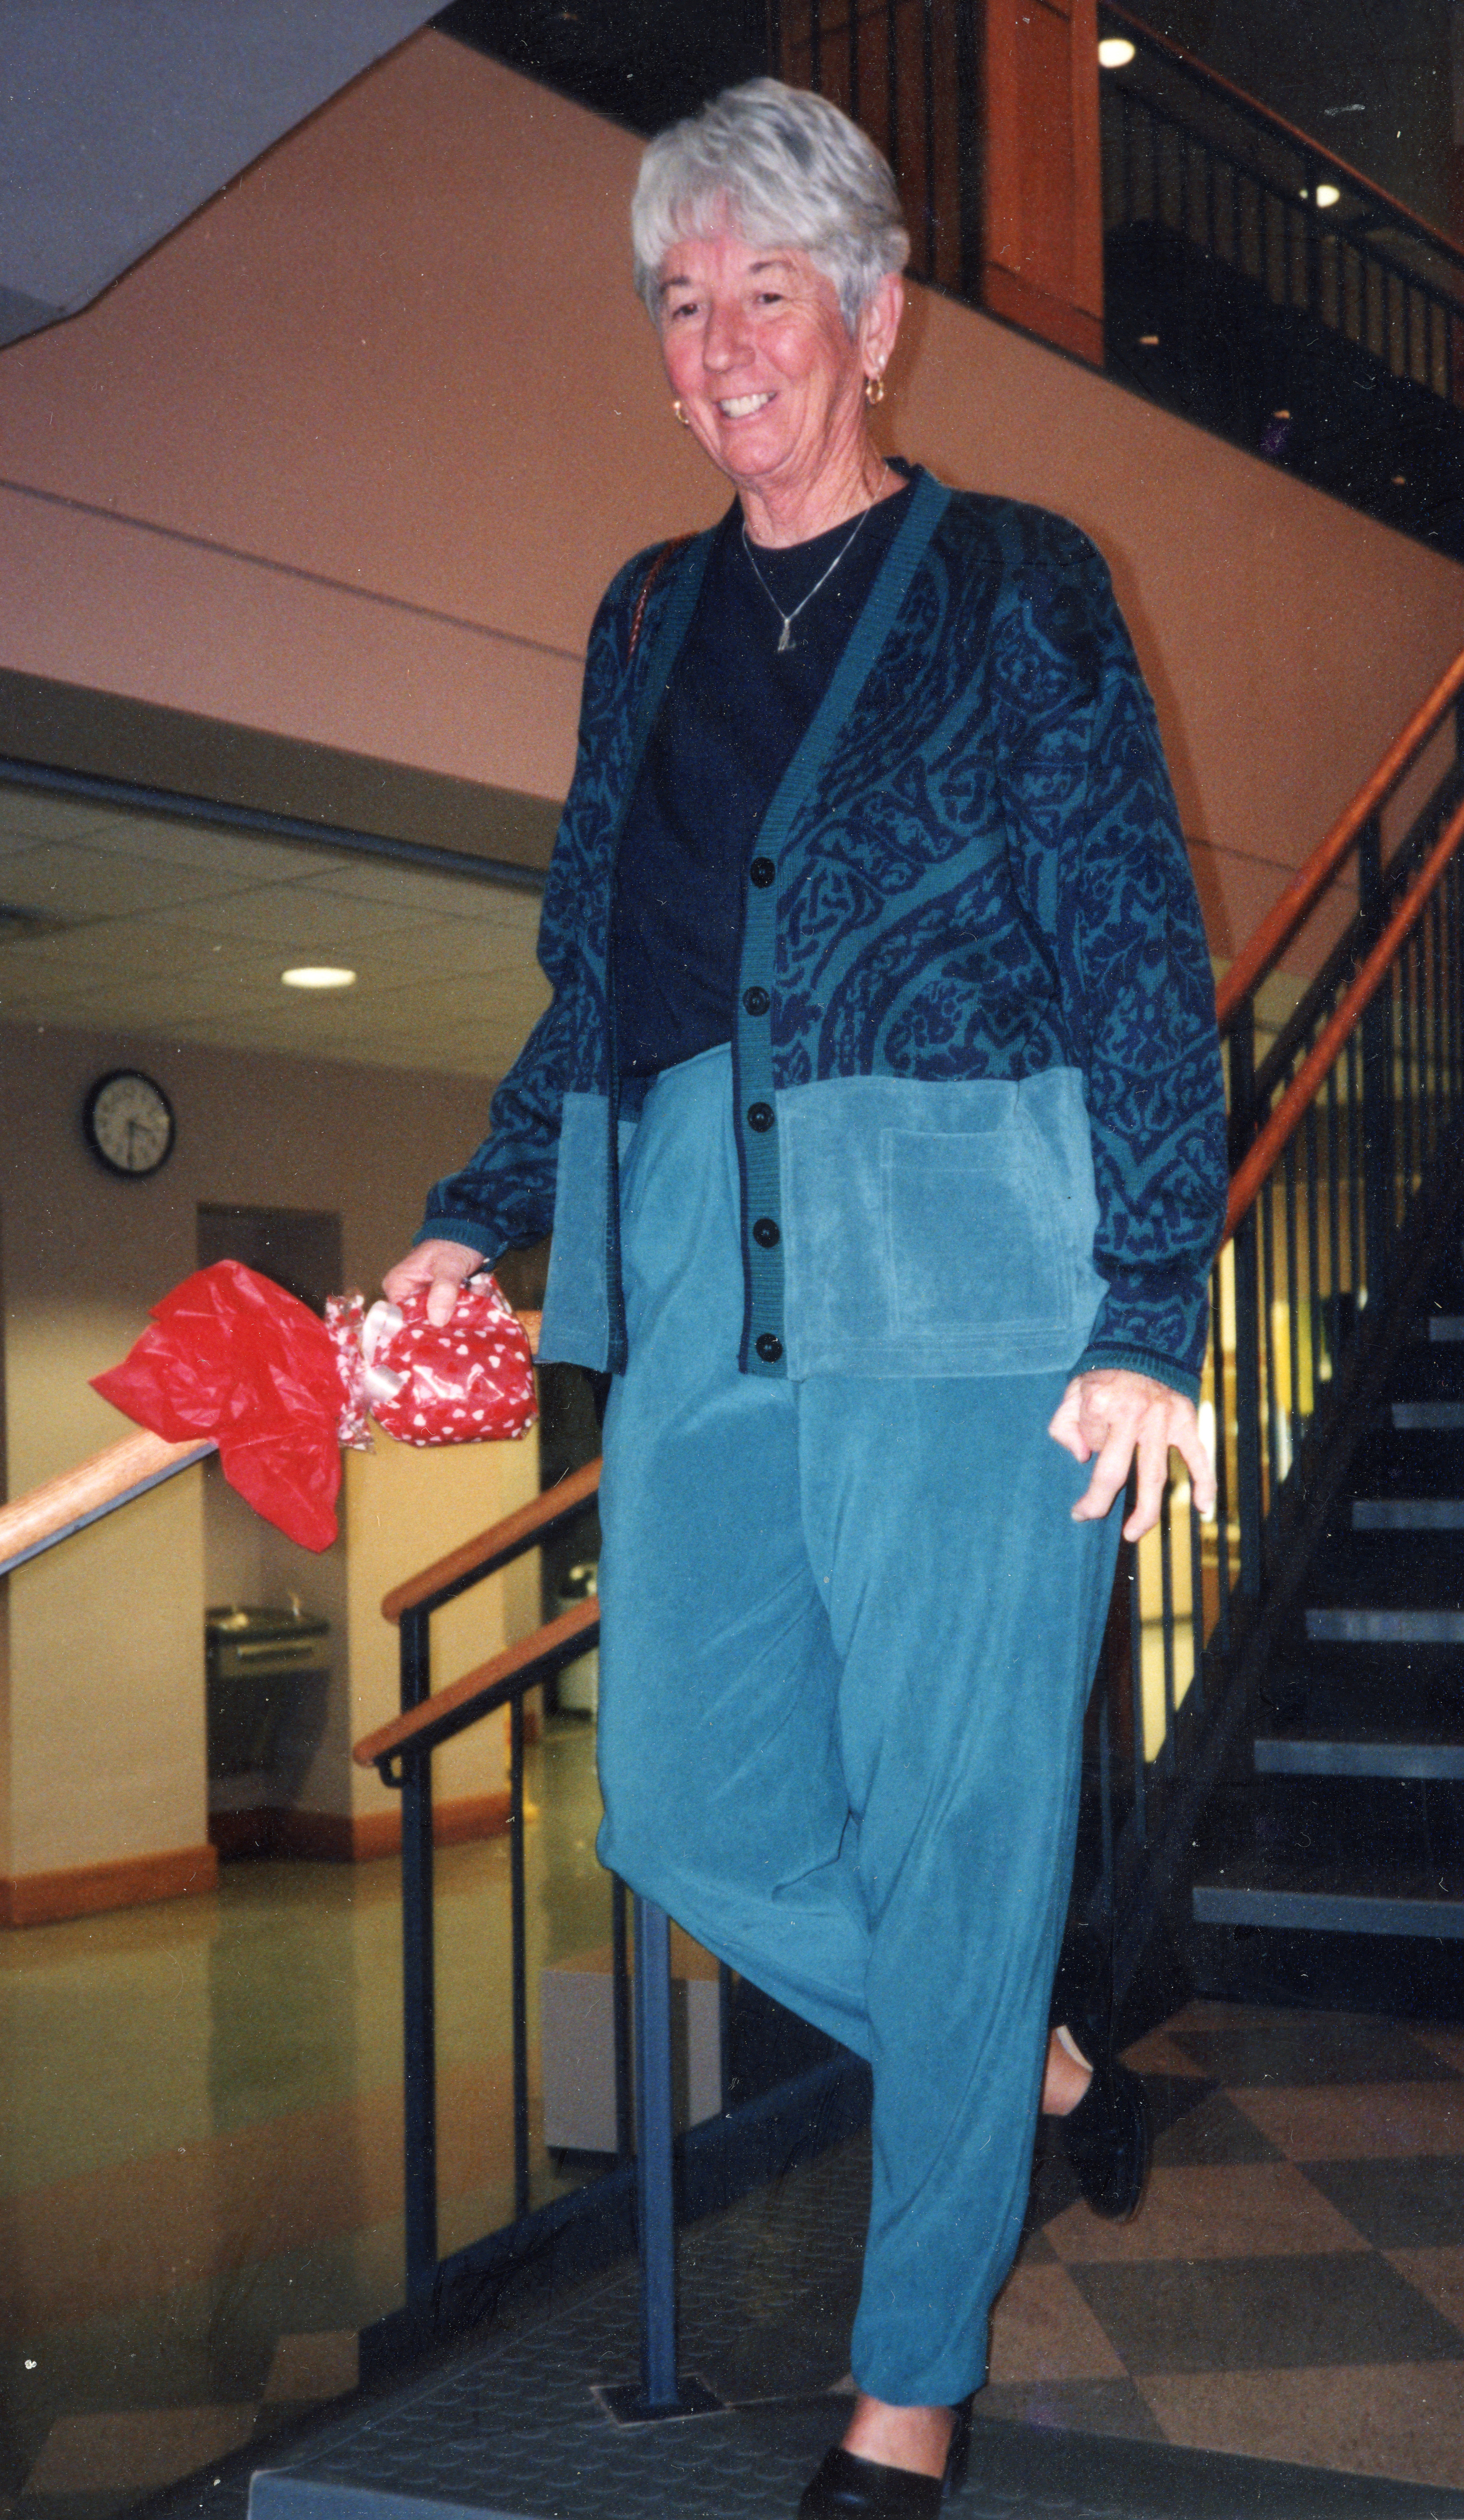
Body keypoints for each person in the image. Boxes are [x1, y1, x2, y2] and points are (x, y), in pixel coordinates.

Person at [385, 78, 1225, 2519]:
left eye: (775, 289)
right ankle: (1036, 2068)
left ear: (877, 317)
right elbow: (590, 981)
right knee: (682, 1802)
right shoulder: (644, 618)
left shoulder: (1022, 579)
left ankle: (906, 2391)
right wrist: (475, 1204)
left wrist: (1152, 1300)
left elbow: (1138, 951)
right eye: (684, 298)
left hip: (975, 1276)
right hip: (690, 1265)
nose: (728, 338)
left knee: (963, 1838)